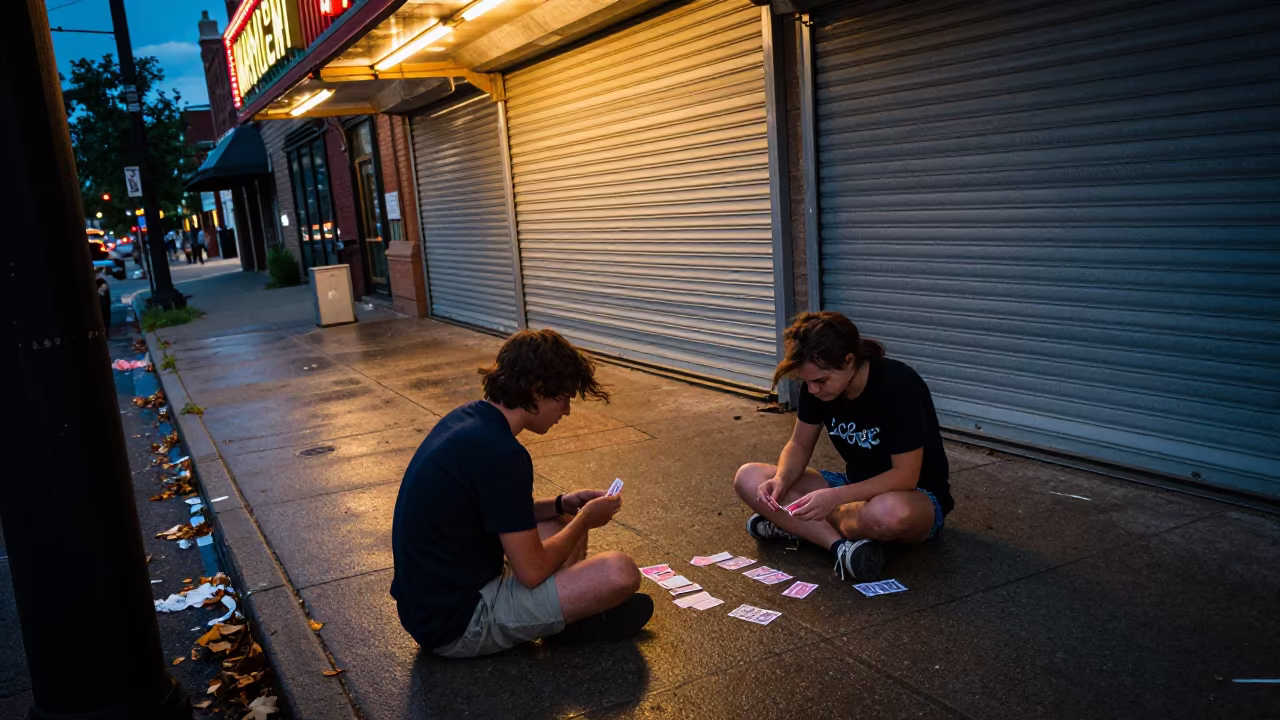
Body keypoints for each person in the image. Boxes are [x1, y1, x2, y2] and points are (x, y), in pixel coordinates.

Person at [391, 329, 653, 658]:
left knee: (558, 518)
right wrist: (586, 519)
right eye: (564, 398)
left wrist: (563, 504)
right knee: (620, 571)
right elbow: (532, 571)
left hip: (429, 610)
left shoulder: (469, 420)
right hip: (459, 625)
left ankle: (561, 618)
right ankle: (565, 622)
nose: (567, 411)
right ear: (538, 390)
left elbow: (494, 510)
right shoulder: (503, 453)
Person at [732, 311, 953, 582]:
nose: (813, 390)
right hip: (852, 487)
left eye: (820, 381)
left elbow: (904, 476)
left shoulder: (898, 385)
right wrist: (781, 479)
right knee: (748, 477)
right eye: (807, 382)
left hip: (916, 497)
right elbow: (799, 444)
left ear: (849, 361)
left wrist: (833, 499)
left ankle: (793, 524)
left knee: (889, 513)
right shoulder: (818, 387)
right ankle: (839, 547)